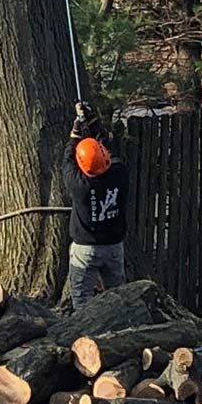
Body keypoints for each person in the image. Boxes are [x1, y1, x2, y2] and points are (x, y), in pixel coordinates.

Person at [67, 102, 128, 308]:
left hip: (85, 249)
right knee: (118, 297)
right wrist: (93, 123)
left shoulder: (78, 184)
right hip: (113, 246)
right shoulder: (119, 174)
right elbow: (107, 149)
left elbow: (67, 160)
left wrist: (75, 133)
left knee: (81, 299)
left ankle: (85, 332)